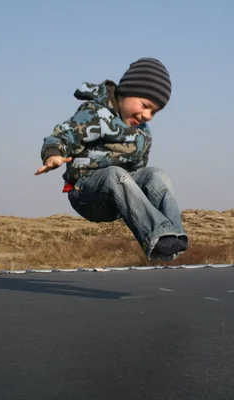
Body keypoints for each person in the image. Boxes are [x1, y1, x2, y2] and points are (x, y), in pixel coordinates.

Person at [35, 57, 188, 261]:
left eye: (154, 112)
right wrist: (53, 154)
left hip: (119, 199)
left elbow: (139, 171)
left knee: (156, 174)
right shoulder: (95, 114)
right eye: (145, 105)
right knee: (115, 174)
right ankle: (158, 235)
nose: (147, 115)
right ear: (126, 92)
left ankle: (173, 237)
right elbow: (64, 134)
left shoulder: (143, 133)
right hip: (86, 192)